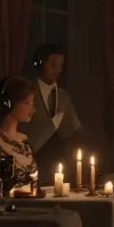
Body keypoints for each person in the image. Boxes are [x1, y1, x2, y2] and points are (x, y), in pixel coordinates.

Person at [22, 44, 83, 174]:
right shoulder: (28, 92)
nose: (58, 70)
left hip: (62, 162)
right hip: (34, 159)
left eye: (61, 65)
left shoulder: (63, 95)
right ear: (40, 64)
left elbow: (76, 127)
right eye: (53, 64)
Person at [0, 77, 40, 196]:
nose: (32, 108)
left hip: (31, 207)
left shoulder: (24, 139)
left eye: (33, 103)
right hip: (6, 210)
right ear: (9, 103)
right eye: (27, 102)